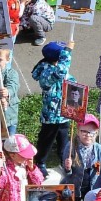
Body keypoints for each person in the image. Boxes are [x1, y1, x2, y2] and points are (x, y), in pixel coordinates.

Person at [32, 41, 75, 176]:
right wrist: (67, 52)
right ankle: (40, 162)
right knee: (47, 139)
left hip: (63, 113)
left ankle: (64, 160)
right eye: (62, 54)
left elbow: (67, 78)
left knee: (64, 139)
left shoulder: (56, 67)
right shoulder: (46, 71)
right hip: (51, 115)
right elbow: (61, 72)